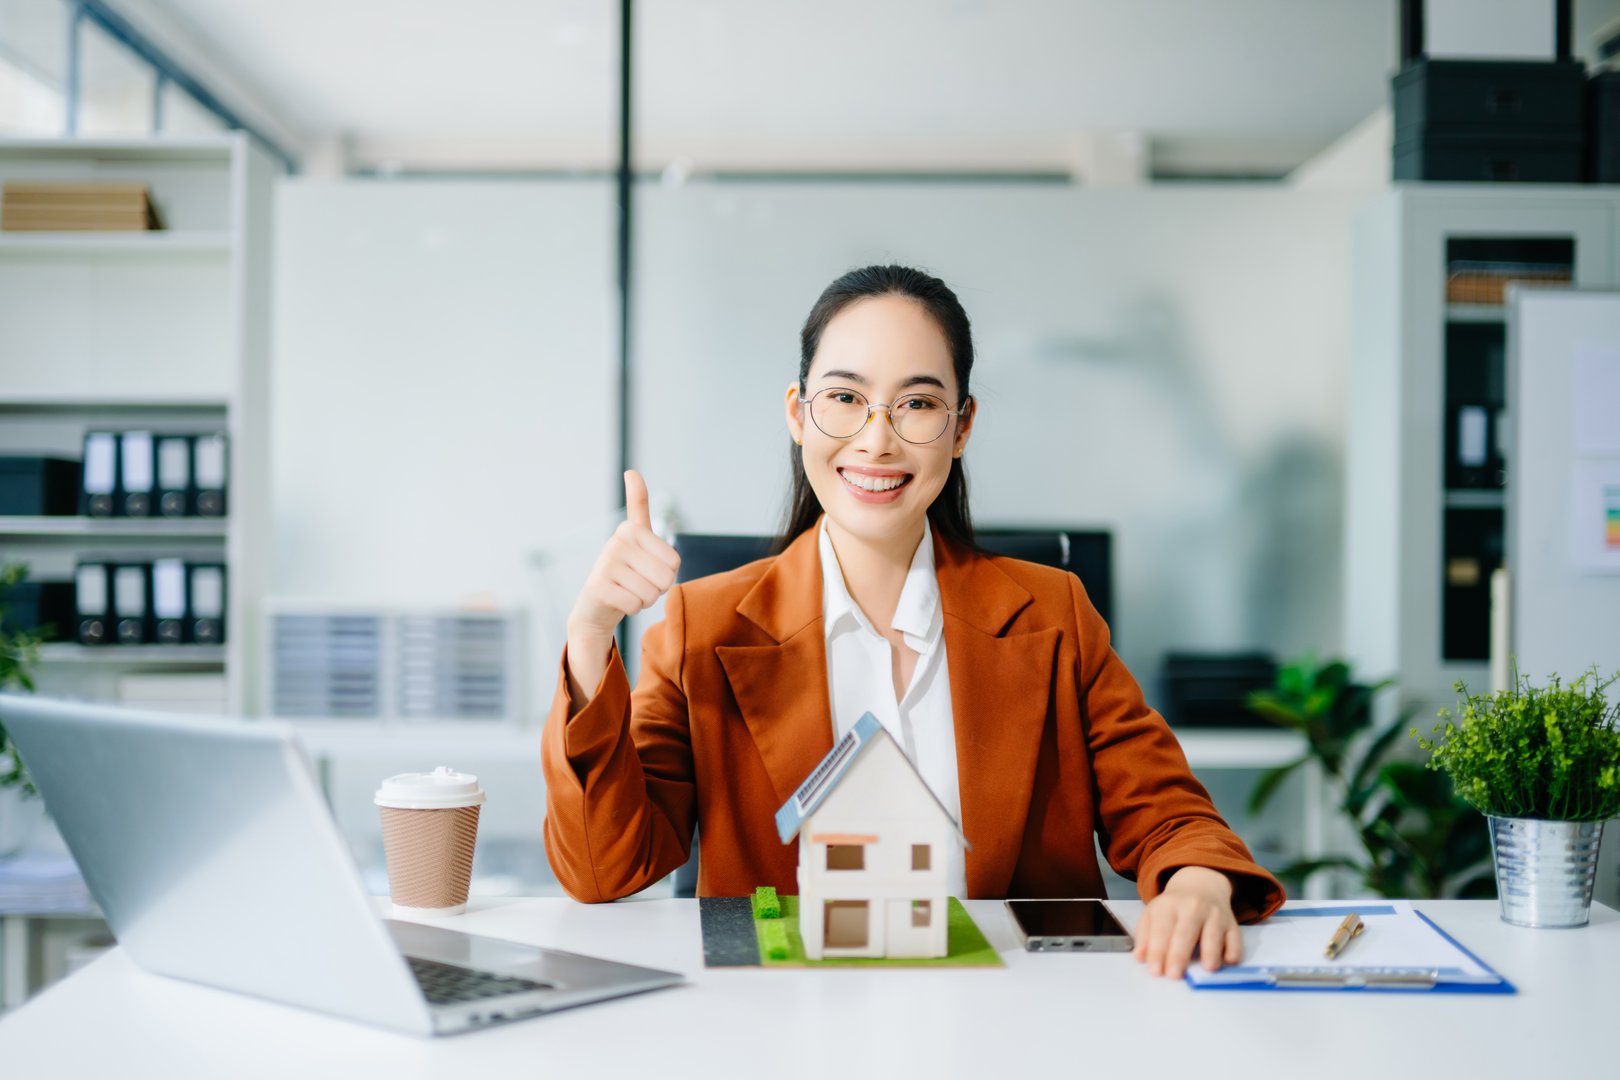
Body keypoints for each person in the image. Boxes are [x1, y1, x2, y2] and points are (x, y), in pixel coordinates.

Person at [543, 264, 1284, 979]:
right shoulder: (701, 627)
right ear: (799, 415)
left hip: (1020, 1016)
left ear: (961, 428)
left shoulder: (1053, 615)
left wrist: (1194, 881)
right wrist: (590, 634)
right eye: (845, 398)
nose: (876, 439)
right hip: (782, 1021)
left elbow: (1166, 811)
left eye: (918, 404)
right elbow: (603, 869)